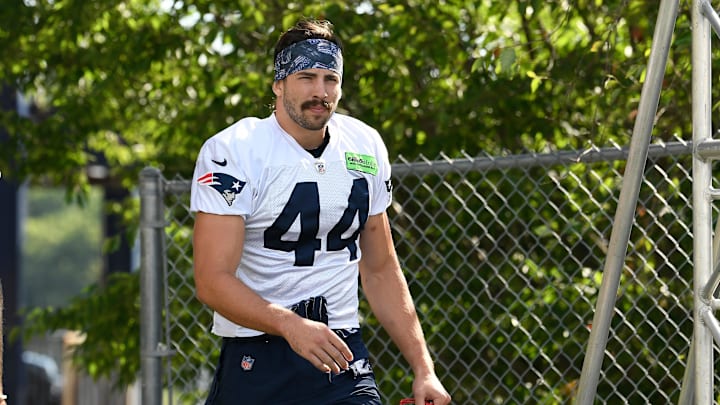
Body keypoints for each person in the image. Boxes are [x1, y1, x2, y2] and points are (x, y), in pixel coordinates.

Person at [191, 18, 451, 405]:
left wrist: (423, 369)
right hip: (258, 354)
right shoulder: (234, 150)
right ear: (278, 84)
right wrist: (290, 325)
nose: (320, 91)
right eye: (307, 77)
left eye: (330, 78)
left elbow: (380, 270)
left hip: (340, 351)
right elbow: (212, 280)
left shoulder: (364, 145)